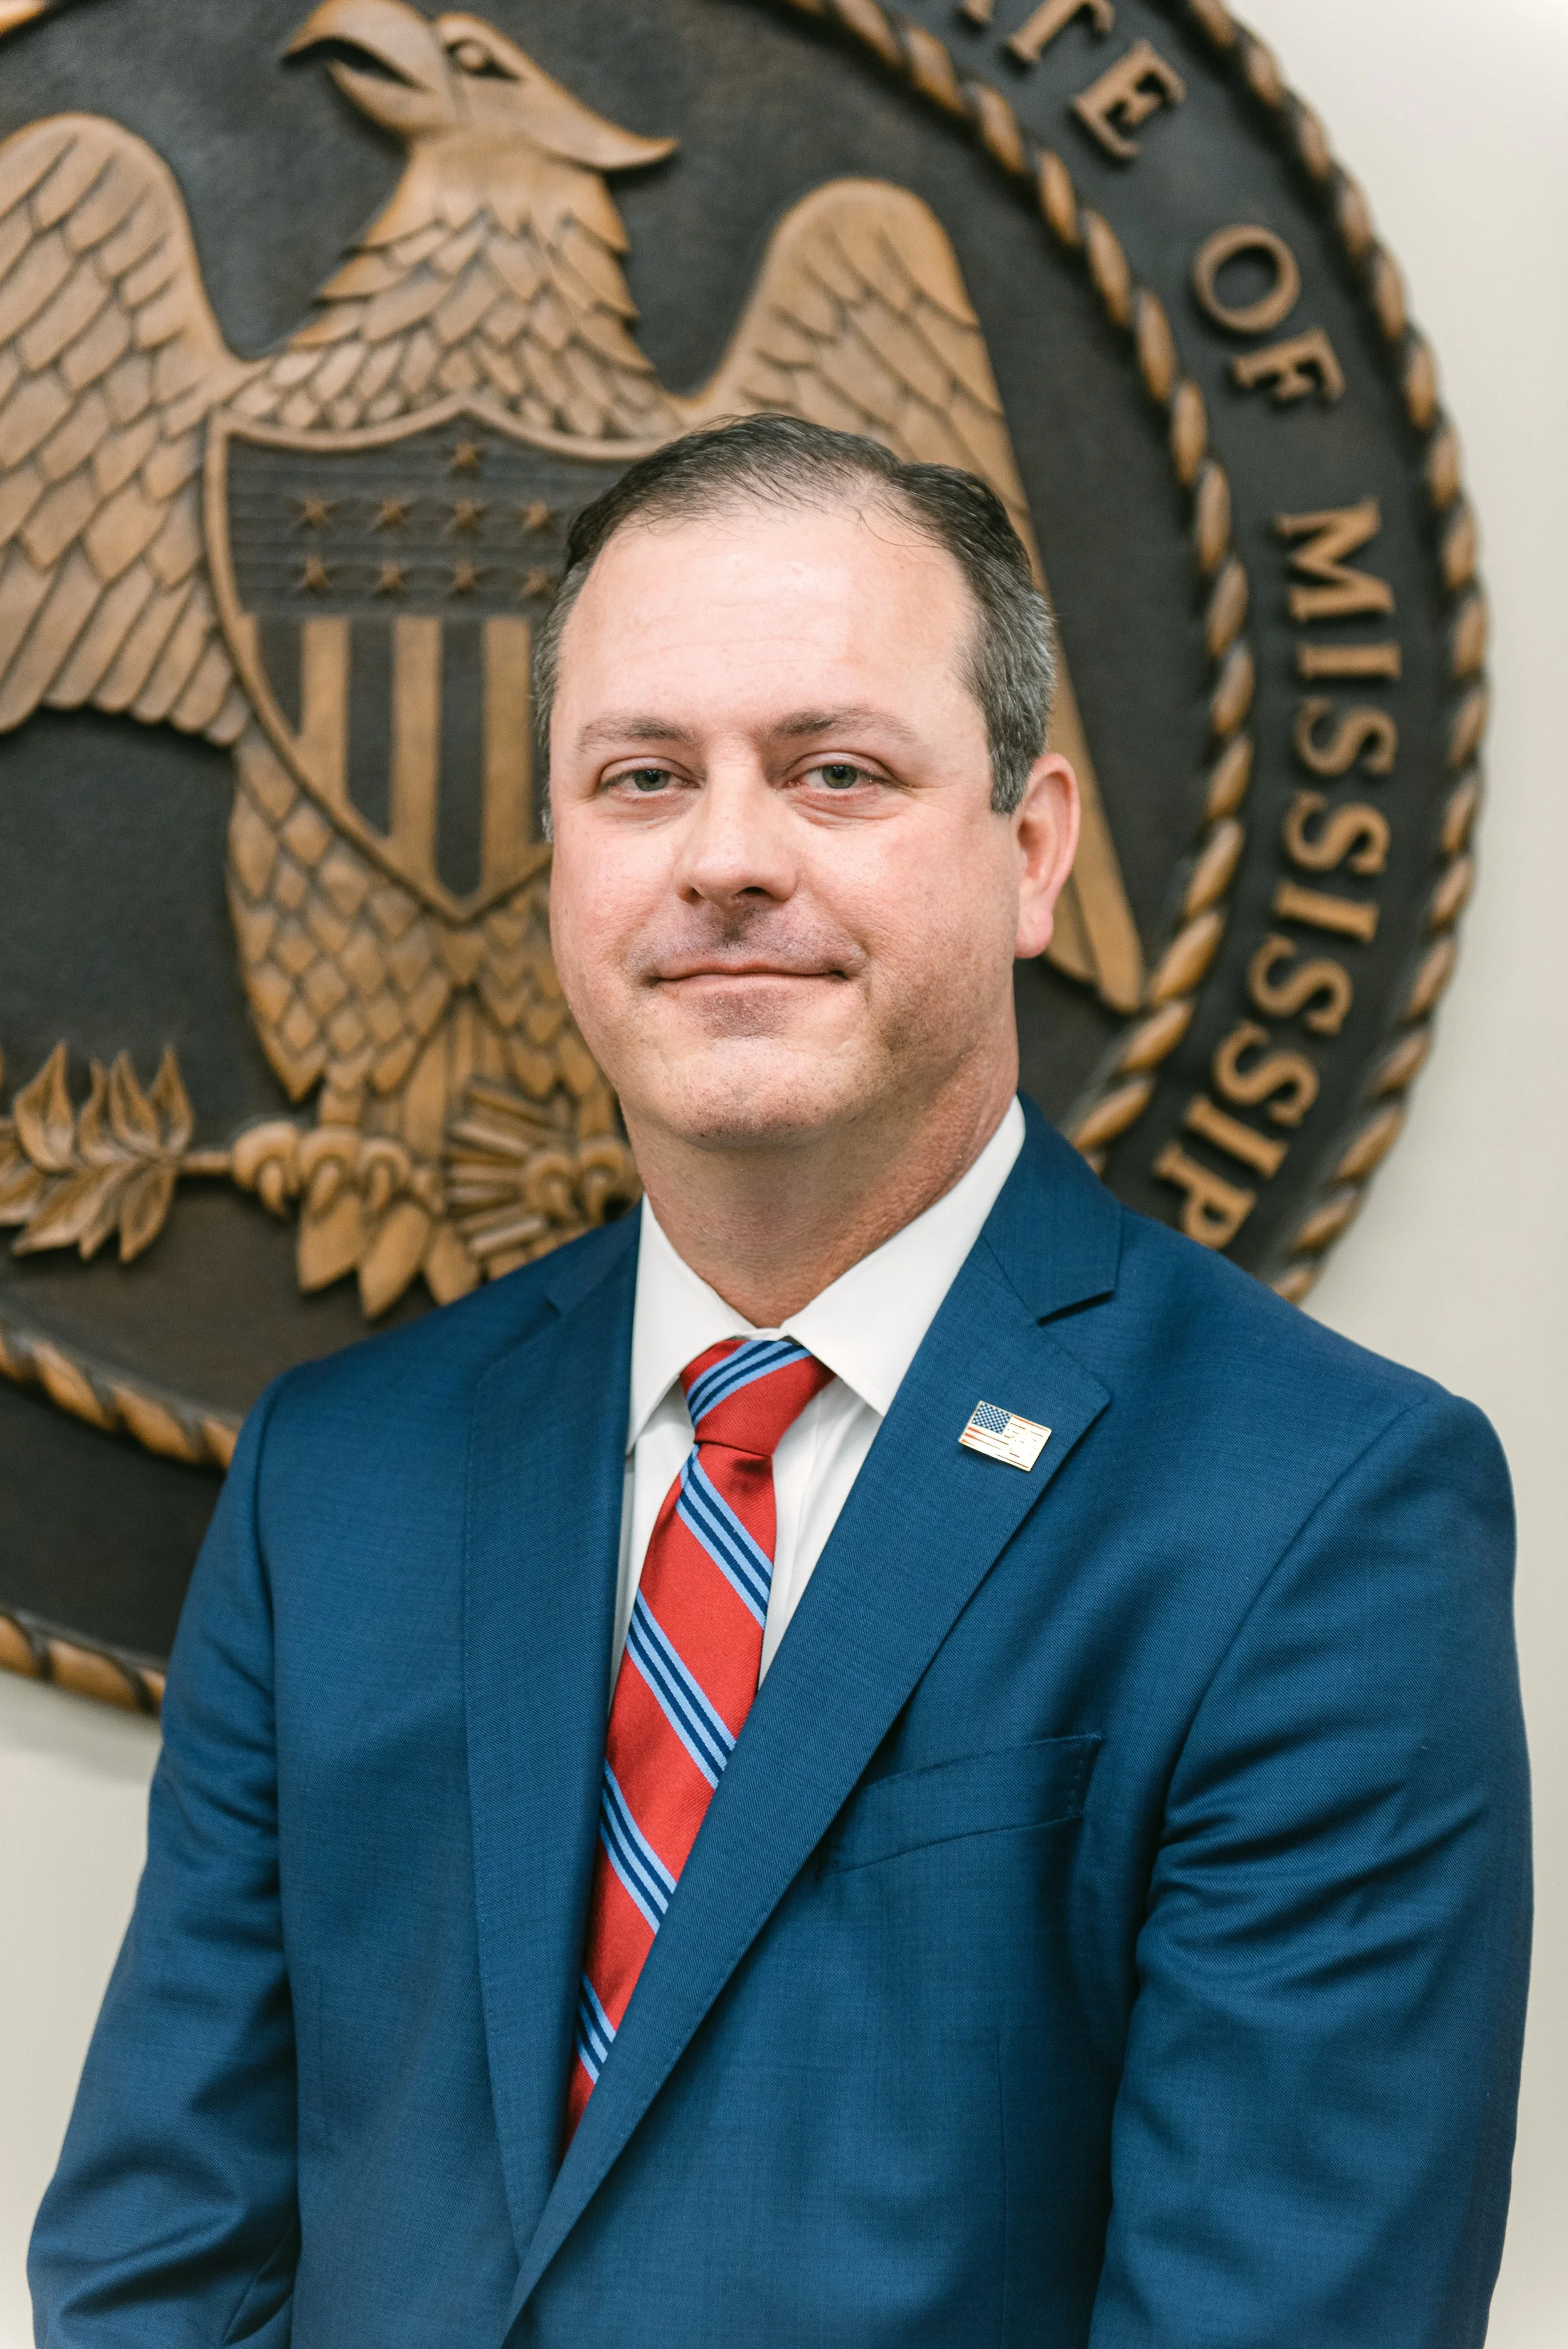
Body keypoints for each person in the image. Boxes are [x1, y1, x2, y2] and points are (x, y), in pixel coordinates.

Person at [31, 415, 1529, 2349]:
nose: (726, 861)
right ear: (561, 855)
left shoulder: (1315, 1517)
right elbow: (164, 2255)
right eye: (643, 777)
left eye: (837, 773)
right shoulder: (344, 1478)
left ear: (1030, 850)